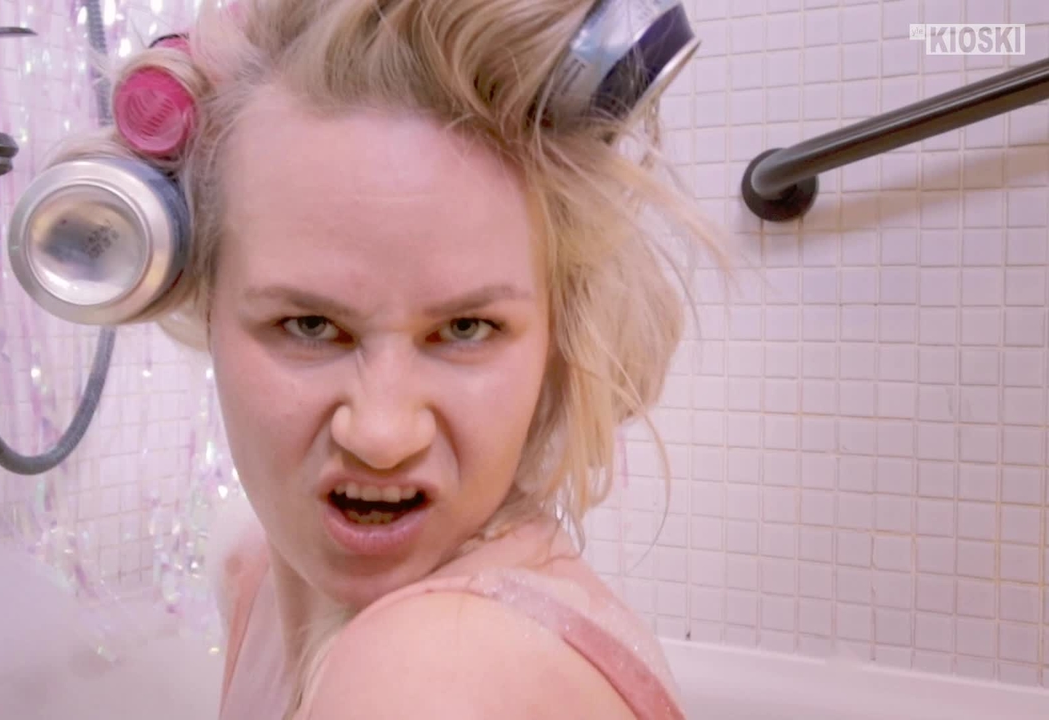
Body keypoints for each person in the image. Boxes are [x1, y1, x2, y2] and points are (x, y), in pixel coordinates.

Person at [58, 0, 727, 717]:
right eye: (310, 325)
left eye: (466, 328)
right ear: (202, 301)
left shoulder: (428, 677)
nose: (381, 436)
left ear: (556, 336)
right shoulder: (254, 578)